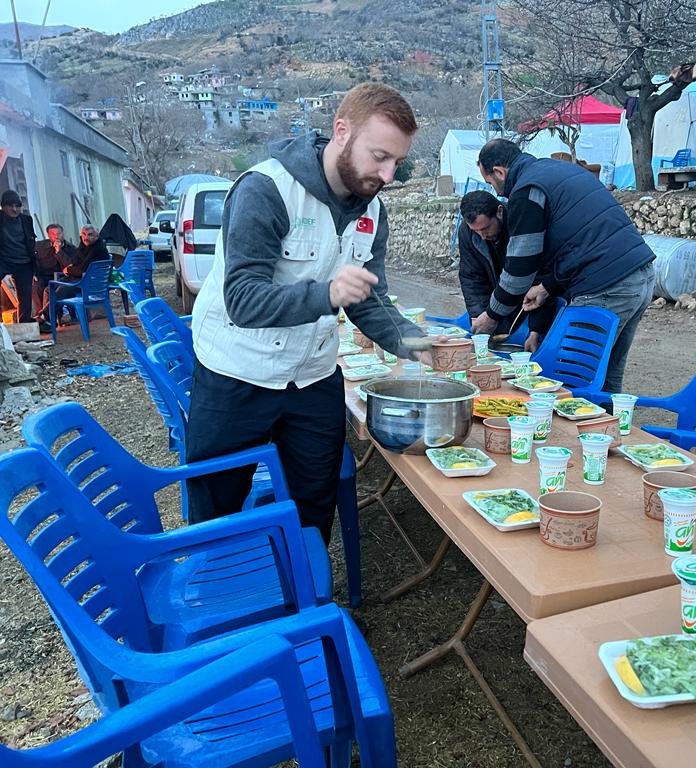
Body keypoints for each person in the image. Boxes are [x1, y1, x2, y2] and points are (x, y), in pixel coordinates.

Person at [186, 83, 427, 544]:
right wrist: (327, 294)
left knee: (315, 502)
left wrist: (417, 343)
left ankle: (307, 598)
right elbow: (243, 299)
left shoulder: (372, 211)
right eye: (380, 156)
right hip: (236, 373)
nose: (389, 173)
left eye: (397, 161)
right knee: (217, 505)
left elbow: (368, 296)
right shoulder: (266, 189)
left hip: (313, 376)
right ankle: (219, 596)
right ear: (341, 132)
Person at [469, 139, 656, 394]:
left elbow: (519, 271)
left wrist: (491, 316)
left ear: (500, 172)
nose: (498, 193)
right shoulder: (558, 171)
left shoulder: (526, 190)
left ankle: (572, 433)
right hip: (639, 274)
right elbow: (576, 244)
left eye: (492, 183)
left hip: (605, 284)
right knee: (606, 375)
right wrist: (547, 287)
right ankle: (609, 429)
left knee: (571, 377)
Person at [457, 190, 556, 351]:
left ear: (500, 212)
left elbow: (541, 278)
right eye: (476, 231)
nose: (482, 236)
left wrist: (535, 330)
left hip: (532, 303)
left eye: (486, 228)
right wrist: (479, 315)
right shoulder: (468, 232)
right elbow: (472, 278)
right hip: (496, 305)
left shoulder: (523, 224)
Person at [0, 190, 38, 325]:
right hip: (4, 260)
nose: (14, 209)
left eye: (17, 206)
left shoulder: (26, 220)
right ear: (3, 207)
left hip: (24, 261)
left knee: (25, 294)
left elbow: (31, 241)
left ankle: (25, 323)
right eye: (10, 206)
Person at [34, 223, 77, 327]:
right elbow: (32, 259)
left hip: (62, 277)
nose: (56, 236)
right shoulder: (39, 246)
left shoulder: (71, 248)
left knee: (51, 289)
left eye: (59, 233)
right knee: (36, 286)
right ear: (48, 235)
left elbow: (71, 267)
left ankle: (48, 318)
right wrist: (33, 273)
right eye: (53, 234)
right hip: (43, 275)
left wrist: (59, 251)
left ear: (63, 233)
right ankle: (42, 315)